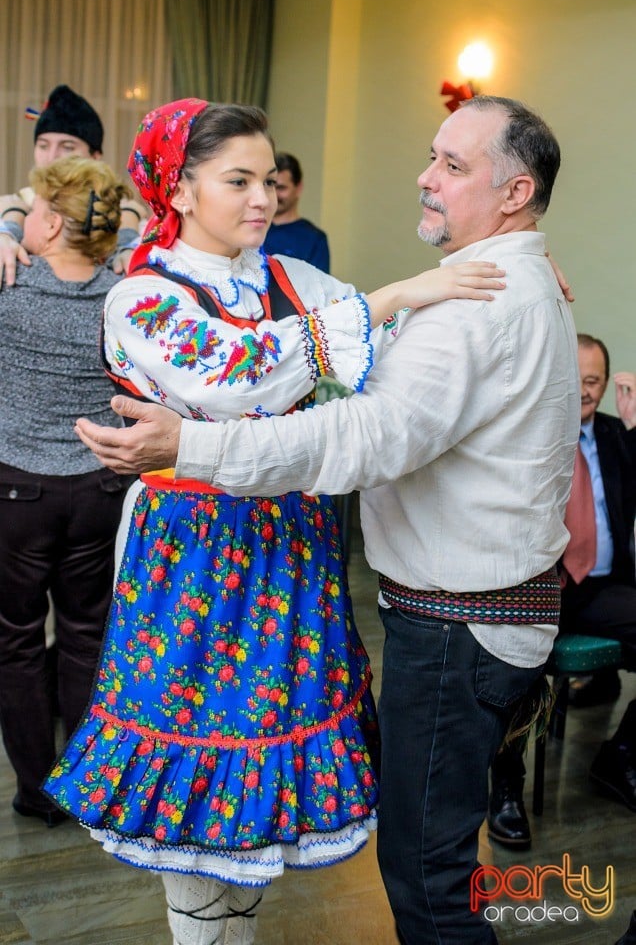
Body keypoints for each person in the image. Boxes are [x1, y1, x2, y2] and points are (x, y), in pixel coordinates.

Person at [71, 95, 580, 944]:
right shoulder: (144, 297)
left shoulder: (288, 278)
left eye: (269, 178)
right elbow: (237, 373)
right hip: (200, 563)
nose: (265, 197)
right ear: (181, 190)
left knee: (264, 791)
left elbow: (384, 350)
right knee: (200, 801)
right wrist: (408, 292)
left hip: (286, 564)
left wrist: (513, 269)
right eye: (239, 179)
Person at [0, 156, 132, 827]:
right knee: (86, 635)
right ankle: (84, 788)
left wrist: (5, 226)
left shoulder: (10, 287)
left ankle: (33, 788)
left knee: (18, 639)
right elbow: (133, 238)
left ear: (50, 222)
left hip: (18, 492)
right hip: (100, 486)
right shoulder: (127, 295)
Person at [488, 336, 636, 849]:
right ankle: (505, 788)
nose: (586, 391)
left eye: (595, 380)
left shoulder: (617, 436)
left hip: (602, 588)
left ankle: (620, 756)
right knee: (512, 669)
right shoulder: (529, 432)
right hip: (538, 585)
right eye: (578, 379)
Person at [0, 84, 145, 284]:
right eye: (43, 145)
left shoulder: (114, 213)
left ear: (95, 157)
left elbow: (126, 210)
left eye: (67, 147)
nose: (52, 157)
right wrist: (5, 233)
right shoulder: (14, 204)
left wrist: (127, 245)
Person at [262, 152, 330, 271]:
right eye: (270, 186)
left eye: (281, 188)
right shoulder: (254, 227)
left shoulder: (314, 239)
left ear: (298, 188)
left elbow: (319, 287)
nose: (275, 194)